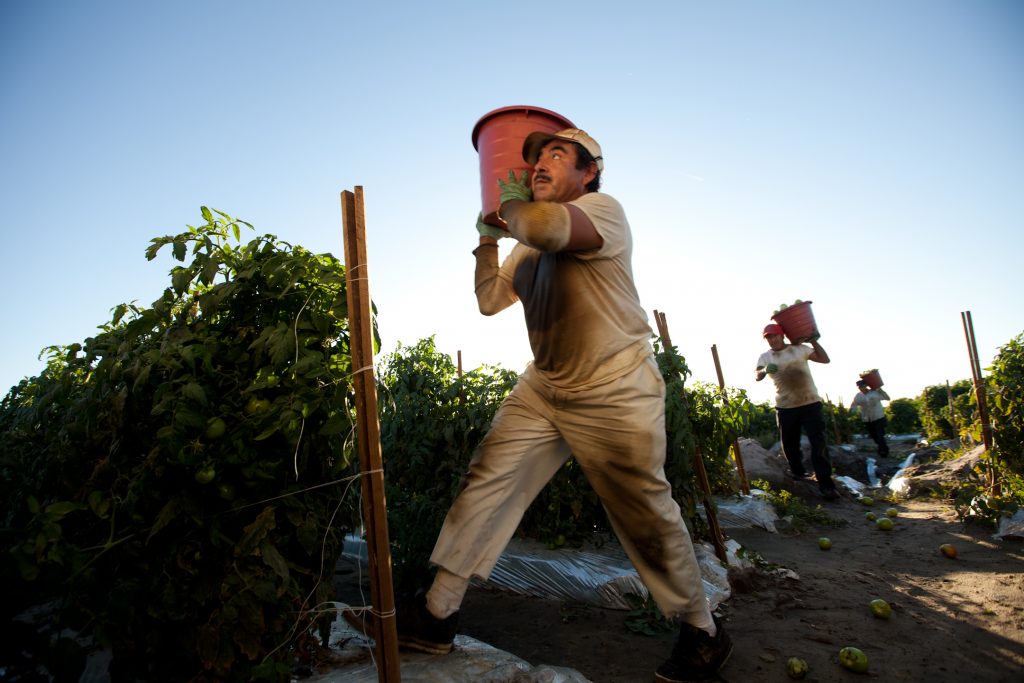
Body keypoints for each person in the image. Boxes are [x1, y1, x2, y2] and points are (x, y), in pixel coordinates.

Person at [349, 127, 732, 683]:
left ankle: (703, 632)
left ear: (589, 171)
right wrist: (487, 239)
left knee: (644, 512)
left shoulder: (602, 212)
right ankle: (436, 615)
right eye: (532, 160)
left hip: (614, 388)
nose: (539, 166)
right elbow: (488, 301)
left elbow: (548, 227)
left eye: (557, 155)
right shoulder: (525, 244)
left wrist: (506, 205)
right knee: (487, 482)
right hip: (546, 388)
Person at [755, 324, 840, 501]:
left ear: (782, 335)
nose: (772, 340)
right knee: (789, 445)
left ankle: (826, 485)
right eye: (768, 338)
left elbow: (825, 359)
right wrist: (764, 370)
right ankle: (798, 474)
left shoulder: (800, 349)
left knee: (819, 444)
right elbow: (757, 375)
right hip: (786, 407)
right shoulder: (765, 357)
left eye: (774, 336)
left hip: (810, 403)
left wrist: (815, 342)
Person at [850, 380, 891, 457]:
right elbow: (854, 405)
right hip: (867, 419)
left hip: (878, 417)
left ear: (866, 386)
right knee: (874, 436)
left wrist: (881, 390)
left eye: (862, 386)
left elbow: (887, 398)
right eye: (859, 387)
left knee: (880, 435)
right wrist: (852, 412)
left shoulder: (875, 393)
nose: (861, 388)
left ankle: (884, 451)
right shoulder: (858, 396)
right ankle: (882, 448)